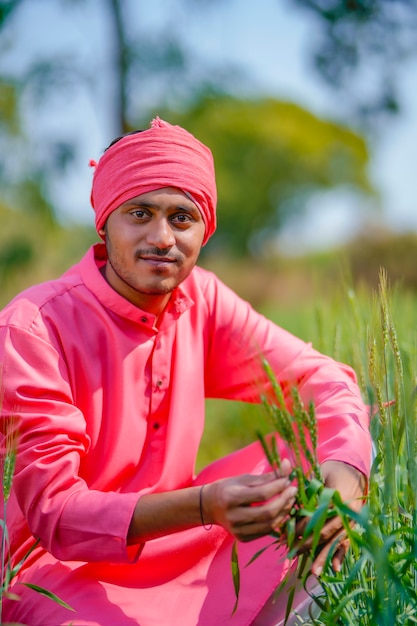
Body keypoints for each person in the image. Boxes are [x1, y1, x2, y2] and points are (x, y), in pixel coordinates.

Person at [0, 117, 371, 626]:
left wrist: (343, 481)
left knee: (325, 453)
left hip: (182, 544)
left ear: (205, 229)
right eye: (140, 213)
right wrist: (206, 506)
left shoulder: (203, 300)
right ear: (104, 222)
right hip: (56, 571)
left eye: (181, 217)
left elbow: (324, 380)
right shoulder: (33, 327)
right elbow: (55, 516)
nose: (161, 237)